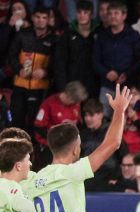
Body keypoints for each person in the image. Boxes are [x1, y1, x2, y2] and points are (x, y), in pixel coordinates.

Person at [7, 4, 57, 134]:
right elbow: (11, 55)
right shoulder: (22, 34)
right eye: (38, 17)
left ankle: (32, 151)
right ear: (33, 18)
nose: (41, 20)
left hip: (40, 88)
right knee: (16, 120)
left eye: (44, 17)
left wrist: (45, 72)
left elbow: (58, 63)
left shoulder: (54, 39)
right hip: (20, 85)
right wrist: (18, 70)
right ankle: (14, 150)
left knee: (34, 123)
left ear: (48, 19)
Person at [92, 2, 140, 116]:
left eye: (116, 13)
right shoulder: (102, 37)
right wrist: (106, 73)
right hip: (107, 88)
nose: (112, 16)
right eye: (110, 13)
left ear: (124, 16)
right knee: (104, 123)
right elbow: (95, 60)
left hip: (129, 88)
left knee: (128, 122)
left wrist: (127, 74)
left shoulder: (133, 36)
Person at [80, 98, 131, 191]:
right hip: (89, 175)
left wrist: (117, 175)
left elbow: (123, 154)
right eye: (86, 115)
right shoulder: (82, 135)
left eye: (91, 115)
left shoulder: (111, 133)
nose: (88, 119)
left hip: (109, 174)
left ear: (100, 115)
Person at [54, 1, 101, 101]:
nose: (82, 15)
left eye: (85, 12)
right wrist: (62, 88)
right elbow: (60, 63)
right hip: (73, 86)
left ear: (91, 15)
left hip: (94, 85)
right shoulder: (67, 35)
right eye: (79, 12)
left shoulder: (99, 34)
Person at [33, 82, 88, 160]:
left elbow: (78, 124)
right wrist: (57, 140)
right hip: (51, 146)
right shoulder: (49, 104)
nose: (77, 104)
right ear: (69, 97)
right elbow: (39, 128)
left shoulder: (76, 104)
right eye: (76, 102)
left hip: (69, 145)